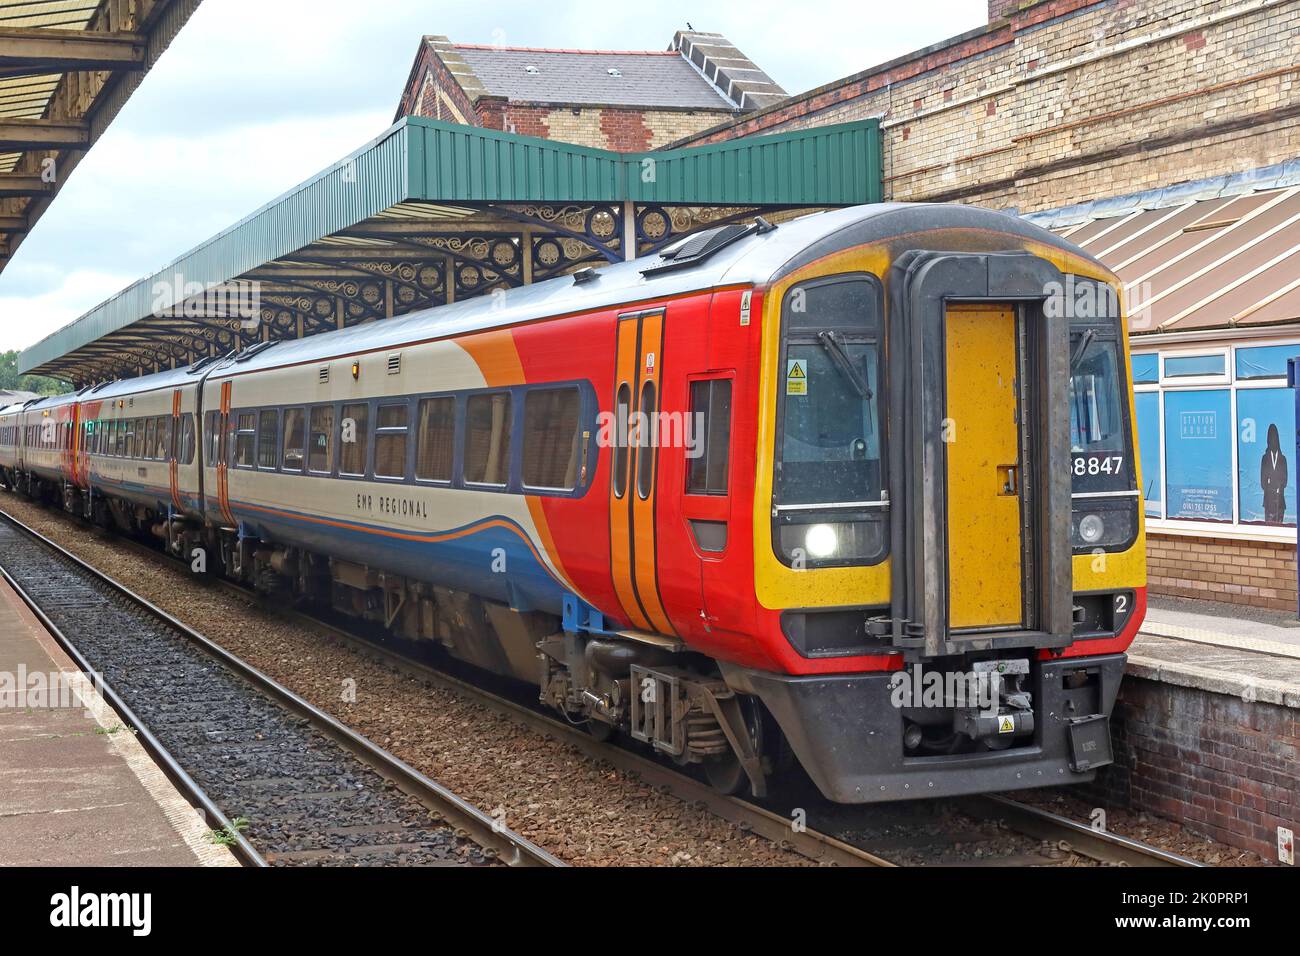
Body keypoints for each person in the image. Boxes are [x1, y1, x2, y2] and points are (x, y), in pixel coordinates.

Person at [1261, 423, 1288, 524]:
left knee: (1279, 526)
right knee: (1268, 527)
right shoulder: (1265, 458)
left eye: (1275, 437)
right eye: (1271, 438)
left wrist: (1273, 484)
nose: (1273, 440)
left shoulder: (1283, 459)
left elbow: (1285, 482)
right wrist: (1273, 487)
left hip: (1280, 501)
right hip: (1268, 502)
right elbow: (1263, 483)